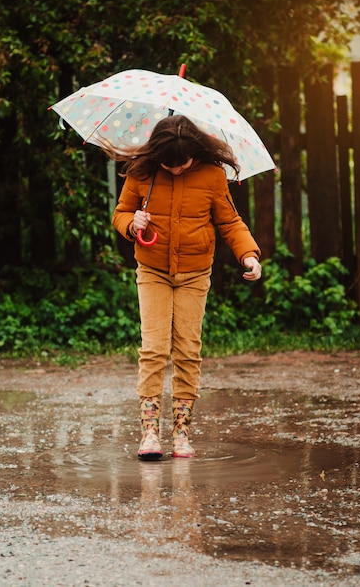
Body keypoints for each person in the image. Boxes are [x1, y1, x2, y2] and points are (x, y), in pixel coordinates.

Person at [107, 115, 262, 460]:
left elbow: (229, 221)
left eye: (184, 163)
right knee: (154, 348)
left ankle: (181, 434)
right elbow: (120, 213)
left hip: (195, 273)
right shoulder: (142, 172)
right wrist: (132, 223)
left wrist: (248, 255)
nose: (176, 170)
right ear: (158, 154)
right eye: (169, 164)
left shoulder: (211, 175)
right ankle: (149, 433)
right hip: (153, 270)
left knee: (188, 350)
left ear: (196, 152)